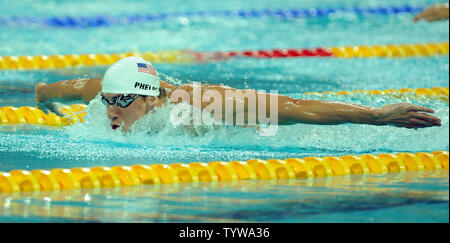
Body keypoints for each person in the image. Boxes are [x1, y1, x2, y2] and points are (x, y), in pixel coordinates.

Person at [35, 57, 441, 133]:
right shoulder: (107, 93)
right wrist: (42, 98)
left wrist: (374, 115)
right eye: (108, 100)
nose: (111, 110)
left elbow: (291, 108)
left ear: (152, 98)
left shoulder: (197, 105)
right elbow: (57, 88)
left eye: (122, 102)